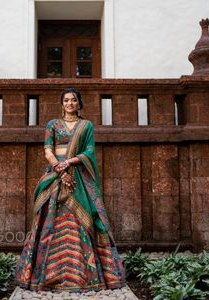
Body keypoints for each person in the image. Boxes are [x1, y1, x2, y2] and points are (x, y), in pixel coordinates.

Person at [15, 88, 126, 292]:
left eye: (73, 100)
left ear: (79, 103)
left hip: (78, 177)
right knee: (48, 221)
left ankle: (83, 276)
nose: (69, 103)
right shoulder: (53, 125)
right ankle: (47, 275)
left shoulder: (86, 126)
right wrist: (59, 167)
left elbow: (89, 151)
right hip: (55, 176)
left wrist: (68, 163)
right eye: (66, 100)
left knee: (86, 221)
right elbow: (48, 149)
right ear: (62, 104)